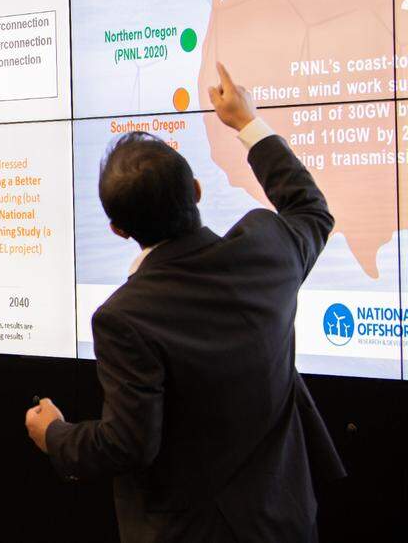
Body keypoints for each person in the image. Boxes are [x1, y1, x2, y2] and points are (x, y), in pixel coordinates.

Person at [25, 64, 345, 542]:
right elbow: (311, 209)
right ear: (196, 191)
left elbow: (129, 445)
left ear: (118, 229)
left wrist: (54, 435)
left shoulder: (123, 319)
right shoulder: (267, 247)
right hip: (284, 519)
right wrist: (246, 123)